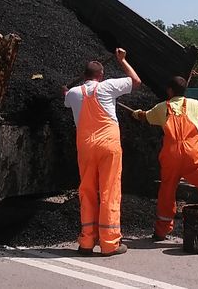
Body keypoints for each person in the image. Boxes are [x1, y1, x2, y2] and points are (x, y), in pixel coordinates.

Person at [131, 76, 198, 251]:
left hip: (172, 156)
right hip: (194, 155)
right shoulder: (195, 104)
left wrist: (137, 114)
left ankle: (161, 231)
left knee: (167, 192)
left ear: (169, 91)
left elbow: (146, 117)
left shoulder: (162, 108)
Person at [63, 48, 141, 256]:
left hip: (86, 147)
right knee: (109, 191)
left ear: (85, 75)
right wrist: (122, 60)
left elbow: (66, 101)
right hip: (108, 145)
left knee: (87, 190)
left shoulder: (73, 93)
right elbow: (135, 81)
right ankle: (109, 243)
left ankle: (86, 242)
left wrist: (66, 92)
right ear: (101, 76)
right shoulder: (108, 87)